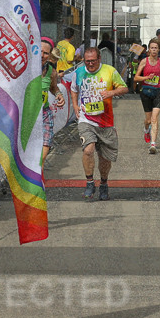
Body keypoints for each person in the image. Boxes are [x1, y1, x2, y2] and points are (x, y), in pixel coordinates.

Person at [68, 46, 129, 201]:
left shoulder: (110, 71)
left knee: (104, 158)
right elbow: (73, 89)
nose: (90, 64)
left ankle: (103, 183)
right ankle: (89, 182)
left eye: (93, 61)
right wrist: (75, 106)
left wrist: (111, 92)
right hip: (86, 119)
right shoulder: (79, 72)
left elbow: (124, 88)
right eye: (87, 61)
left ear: (99, 59)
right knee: (88, 150)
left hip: (105, 121)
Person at [134, 37, 160, 154]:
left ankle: (153, 144)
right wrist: (146, 78)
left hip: (158, 91)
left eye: (155, 48)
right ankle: (146, 129)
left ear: (158, 50)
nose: (153, 50)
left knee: (154, 118)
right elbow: (136, 78)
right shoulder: (144, 62)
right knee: (148, 120)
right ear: (149, 49)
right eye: (152, 48)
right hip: (146, 92)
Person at [40, 37, 66, 166]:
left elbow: (53, 88)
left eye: (45, 53)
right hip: (27, 115)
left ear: (50, 55)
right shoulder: (26, 69)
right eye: (39, 51)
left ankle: (38, 180)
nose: (42, 55)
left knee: (44, 151)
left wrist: (59, 95)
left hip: (44, 113)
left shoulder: (51, 71)